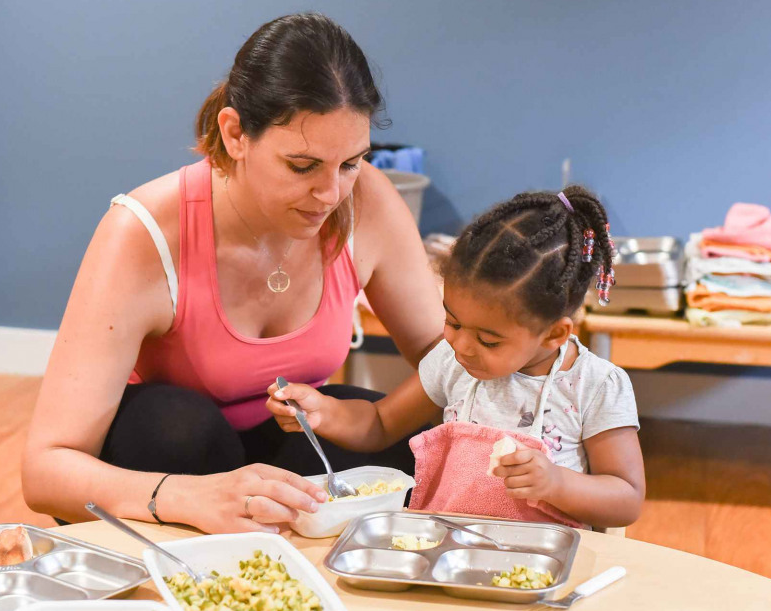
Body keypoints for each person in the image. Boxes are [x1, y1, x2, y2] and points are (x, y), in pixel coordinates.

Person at [22, 13, 443, 532]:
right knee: (178, 426)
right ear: (236, 132)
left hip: (277, 443)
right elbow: (43, 473)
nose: (332, 195)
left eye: (351, 163)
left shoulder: (367, 201)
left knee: (411, 444)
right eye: (303, 166)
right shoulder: (143, 232)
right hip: (166, 460)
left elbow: (448, 358)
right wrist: (186, 497)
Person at [268, 187, 645, 528]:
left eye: (488, 340)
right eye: (452, 321)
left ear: (554, 334)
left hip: (541, 562)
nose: (462, 345)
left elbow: (626, 498)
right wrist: (323, 413)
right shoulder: (453, 361)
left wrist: (557, 483)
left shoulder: (595, 385)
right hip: (444, 543)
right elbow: (380, 423)